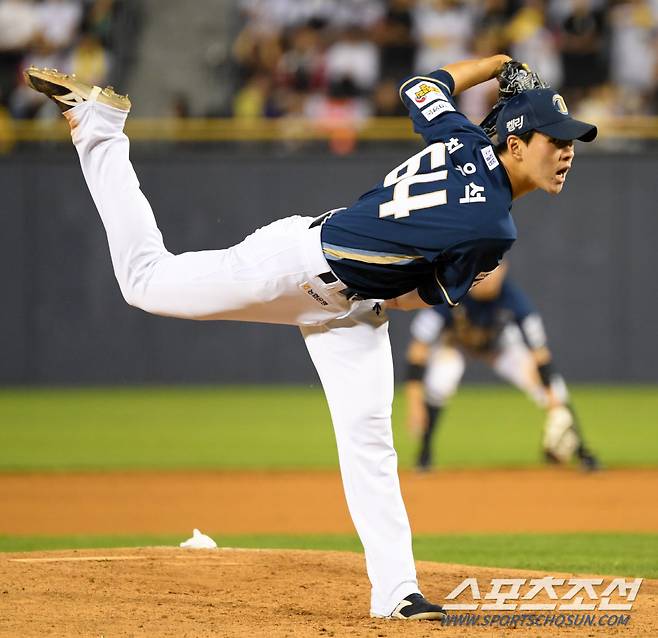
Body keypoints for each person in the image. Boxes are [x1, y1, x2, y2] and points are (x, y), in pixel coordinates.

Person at [23, 54, 596, 621]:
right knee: (144, 282)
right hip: (297, 266)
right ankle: (99, 131)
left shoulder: (461, 137)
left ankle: (396, 592)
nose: (568, 151)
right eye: (556, 139)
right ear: (516, 145)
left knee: (371, 444)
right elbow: (422, 298)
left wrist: (496, 64)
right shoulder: (493, 227)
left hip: (347, 302)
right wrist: (380, 288)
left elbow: (422, 83)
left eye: (572, 141)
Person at [405, 261, 600, 471]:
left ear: (503, 269)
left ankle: (582, 451)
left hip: (499, 347)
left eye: (493, 270)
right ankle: (424, 454)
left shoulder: (514, 299)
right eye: (482, 271)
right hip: (456, 344)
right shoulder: (450, 291)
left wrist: (554, 401)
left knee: (553, 388)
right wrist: (414, 401)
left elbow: (540, 354)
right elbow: (418, 348)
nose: (488, 278)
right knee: (440, 381)